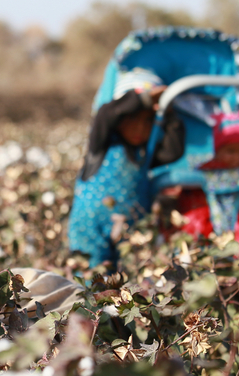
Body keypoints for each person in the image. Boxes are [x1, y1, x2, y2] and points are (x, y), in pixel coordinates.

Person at [67, 70, 185, 268]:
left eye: (148, 121)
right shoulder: (102, 143)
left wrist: (170, 114)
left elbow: (173, 151)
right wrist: (144, 99)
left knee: (127, 279)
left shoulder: (147, 153)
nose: (139, 128)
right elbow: (106, 114)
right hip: (90, 229)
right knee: (90, 276)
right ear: (119, 118)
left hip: (130, 231)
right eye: (132, 119)